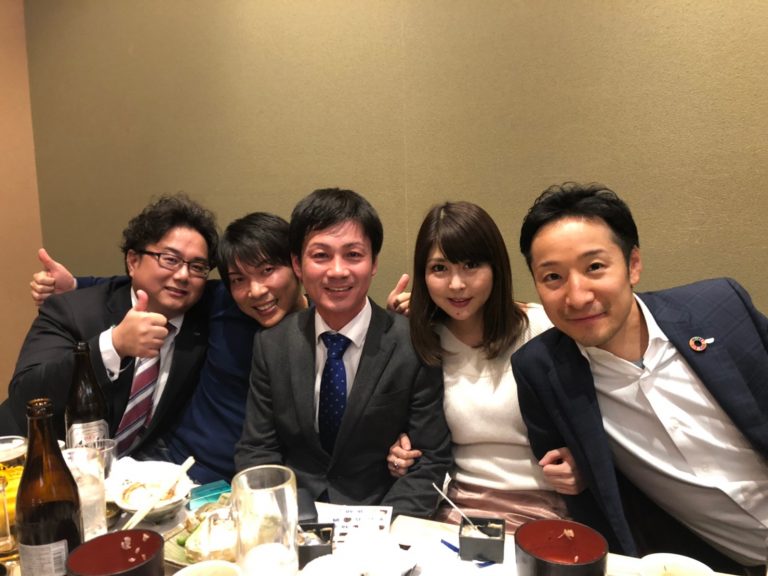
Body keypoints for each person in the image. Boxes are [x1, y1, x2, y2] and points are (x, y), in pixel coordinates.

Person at [512, 182, 768, 573]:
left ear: (633, 265)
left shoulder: (719, 307)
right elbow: (578, 487)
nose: (577, 296)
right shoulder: (540, 370)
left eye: (594, 267)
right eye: (552, 277)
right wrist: (580, 472)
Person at [26, 212, 309, 483]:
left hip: (247, 476)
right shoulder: (228, 302)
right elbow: (148, 284)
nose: (256, 290)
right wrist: (77, 284)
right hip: (171, 465)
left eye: (268, 271)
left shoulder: (320, 334)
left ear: (297, 266)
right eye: (238, 279)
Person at [234, 188, 452, 517]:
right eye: (321, 255)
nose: (337, 270)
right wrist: (277, 519)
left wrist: (385, 530)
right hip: (295, 514)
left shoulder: (413, 343)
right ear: (297, 264)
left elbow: (429, 460)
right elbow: (257, 449)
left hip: (380, 514)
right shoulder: (272, 344)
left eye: (353, 254)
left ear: (374, 263)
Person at [385, 201, 581, 533]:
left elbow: (594, 421)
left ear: (496, 267)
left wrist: (582, 465)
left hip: (545, 506)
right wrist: (399, 453)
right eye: (440, 268)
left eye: (471, 265)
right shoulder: (423, 342)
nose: (456, 284)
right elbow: (410, 433)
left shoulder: (543, 330)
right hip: (456, 506)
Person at [1, 194, 218, 459]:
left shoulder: (205, 321)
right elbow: (25, 397)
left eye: (197, 266)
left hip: (127, 475)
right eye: (170, 259)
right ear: (133, 262)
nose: (184, 275)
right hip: (29, 459)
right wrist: (113, 346)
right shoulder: (71, 310)